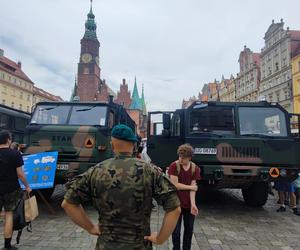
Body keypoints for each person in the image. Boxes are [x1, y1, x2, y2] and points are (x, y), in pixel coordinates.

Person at [61, 124, 181, 250]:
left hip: (106, 245)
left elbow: (68, 204)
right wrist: (160, 238)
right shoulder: (150, 171)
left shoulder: (95, 171)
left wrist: (90, 227)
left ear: (112, 145)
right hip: (139, 245)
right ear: (134, 145)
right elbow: (174, 208)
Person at [0, 130, 31, 250]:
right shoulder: (15, 154)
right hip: (11, 189)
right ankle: (7, 246)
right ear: (8, 140)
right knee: (9, 215)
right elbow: (20, 174)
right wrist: (27, 186)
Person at [168, 144, 201, 250]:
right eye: (179, 157)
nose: (180, 159)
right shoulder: (174, 166)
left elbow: (192, 190)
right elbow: (175, 185)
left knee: (189, 229)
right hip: (176, 204)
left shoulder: (195, 168)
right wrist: (191, 187)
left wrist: (193, 204)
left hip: (187, 204)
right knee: (176, 231)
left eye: (183, 158)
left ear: (189, 158)